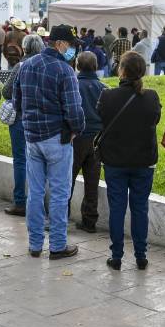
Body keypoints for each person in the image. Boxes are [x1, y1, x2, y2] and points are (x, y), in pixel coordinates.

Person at [13, 24, 85, 259]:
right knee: (59, 193)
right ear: (60, 44)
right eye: (71, 45)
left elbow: (17, 103)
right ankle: (57, 245)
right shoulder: (64, 71)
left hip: (32, 138)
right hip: (58, 139)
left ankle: (34, 245)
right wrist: (77, 130)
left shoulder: (26, 66)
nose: (72, 50)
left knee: (34, 192)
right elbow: (75, 112)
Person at [98, 51, 161, 270]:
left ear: (121, 70)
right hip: (143, 161)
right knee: (140, 208)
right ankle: (141, 255)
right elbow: (155, 118)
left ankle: (116, 256)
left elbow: (101, 117)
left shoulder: (108, 96)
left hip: (115, 161)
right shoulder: (151, 97)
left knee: (117, 208)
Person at [0, 34, 44, 216]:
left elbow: (6, 91)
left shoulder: (20, 66)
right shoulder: (46, 66)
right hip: (42, 119)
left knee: (20, 160)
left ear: (24, 48)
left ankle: (20, 202)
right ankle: (38, 204)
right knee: (41, 162)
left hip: (20, 118)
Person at [71, 51, 104, 233]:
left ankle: (61, 218)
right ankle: (90, 221)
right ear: (96, 66)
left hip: (76, 138)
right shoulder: (103, 88)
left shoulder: (73, 85)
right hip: (97, 140)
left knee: (67, 180)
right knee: (92, 181)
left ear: (77, 66)